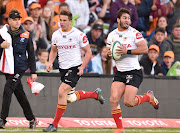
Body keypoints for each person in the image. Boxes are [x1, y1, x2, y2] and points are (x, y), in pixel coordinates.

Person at [43, 10, 105, 132]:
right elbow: (54, 50)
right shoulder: (56, 34)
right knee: (68, 98)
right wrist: (50, 62)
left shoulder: (78, 34)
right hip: (63, 69)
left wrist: (82, 67)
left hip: (75, 68)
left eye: (64, 20)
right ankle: (95, 94)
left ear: (71, 21)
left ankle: (54, 125)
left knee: (61, 91)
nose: (62, 22)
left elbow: (88, 52)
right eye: (60, 20)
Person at [106, 8, 159, 133]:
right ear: (118, 19)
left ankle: (148, 97)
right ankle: (120, 129)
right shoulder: (111, 35)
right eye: (124, 18)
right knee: (113, 100)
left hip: (134, 71)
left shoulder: (134, 33)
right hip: (120, 72)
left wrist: (127, 51)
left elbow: (144, 48)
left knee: (129, 102)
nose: (127, 20)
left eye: (129, 18)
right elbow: (109, 53)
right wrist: (108, 54)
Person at [0, 9, 38, 129]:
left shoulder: (26, 34)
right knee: (19, 93)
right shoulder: (2, 33)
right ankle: (32, 119)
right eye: (14, 20)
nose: (17, 22)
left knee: (8, 89)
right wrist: (1, 45)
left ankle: (2, 119)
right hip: (8, 67)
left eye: (18, 19)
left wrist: (33, 71)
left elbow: (31, 54)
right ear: (9, 21)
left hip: (19, 68)